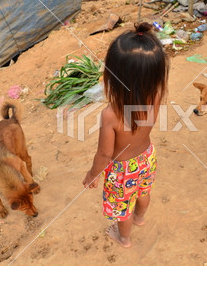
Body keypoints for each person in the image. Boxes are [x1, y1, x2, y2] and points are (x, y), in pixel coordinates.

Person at [83, 22, 169, 247]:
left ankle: (124, 237)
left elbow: (104, 154)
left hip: (122, 172)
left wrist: (92, 174)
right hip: (147, 158)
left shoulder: (110, 115)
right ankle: (140, 218)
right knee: (143, 192)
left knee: (122, 208)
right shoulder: (157, 95)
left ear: (112, 76)